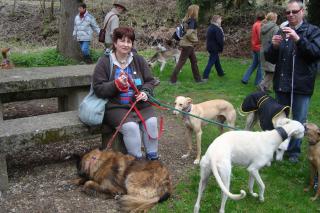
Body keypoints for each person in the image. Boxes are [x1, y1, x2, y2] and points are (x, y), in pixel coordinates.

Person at [264, 0, 320, 163]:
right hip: (282, 84)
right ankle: (279, 147)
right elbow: (270, 58)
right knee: (281, 119)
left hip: (301, 86)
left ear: (302, 12)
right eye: (287, 12)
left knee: (299, 120)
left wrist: (298, 39)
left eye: (294, 12)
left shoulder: (313, 31)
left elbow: (315, 53)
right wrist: (273, 47)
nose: (290, 15)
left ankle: (294, 152)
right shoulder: (281, 31)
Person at [92, 27, 159, 160]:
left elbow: (150, 81)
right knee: (131, 127)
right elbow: (98, 88)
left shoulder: (138, 60)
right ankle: (136, 161)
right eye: (122, 41)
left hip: (140, 106)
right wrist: (115, 84)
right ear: (115, 43)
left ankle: (153, 158)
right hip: (116, 107)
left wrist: (145, 92)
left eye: (129, 41)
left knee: (151, 122)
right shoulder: (105, 62)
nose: (126, 44)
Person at [170, 4, 203, 84]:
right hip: (187, 44)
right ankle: (173, 80)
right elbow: (188, 34)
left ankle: (198, 80)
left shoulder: (186, 20)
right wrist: (195, 40)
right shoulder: (192, 21)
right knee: (181, 62)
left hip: (186, 44)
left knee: (194, 61)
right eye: (197, 10)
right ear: (195, 11)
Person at [241, 11, 265, 85]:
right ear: (263, 17)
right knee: (261, 66)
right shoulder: (259, 25)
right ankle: (258, 82)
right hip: (259, 48)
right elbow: (260, 37)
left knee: (254, 64)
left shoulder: (255, 24)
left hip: (254, 47)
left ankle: (245, 78)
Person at [258, 12, 279, 92]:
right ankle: (262, 85)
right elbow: (277, 40)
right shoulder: (276, 28)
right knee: (272, 71)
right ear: (274, 18)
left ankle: (267, 87)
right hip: (271, 51)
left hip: (263, 50)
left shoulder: (262, 27)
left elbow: (260, 39)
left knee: (268, 70)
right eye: (276, 17)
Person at [202, 15, 225, 82]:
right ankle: (205, 76)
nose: (221, 20)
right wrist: (221, 46)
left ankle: (220, 73)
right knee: (211, 61)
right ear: (216, 20)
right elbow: (220, 40)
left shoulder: (210, 27)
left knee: (216, 61)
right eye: (220, 19)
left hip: (210, 47)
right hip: (214, 48)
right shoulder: (217, 28)